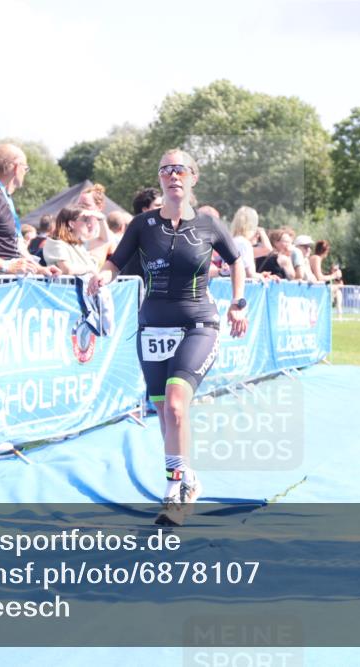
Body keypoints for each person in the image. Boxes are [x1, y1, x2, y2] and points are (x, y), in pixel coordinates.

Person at [88, 149, 247, 526]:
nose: (173, 175)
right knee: (165, 414)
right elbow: (116, 261)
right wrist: (102, 276)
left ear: (193, 177)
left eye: (180, 169)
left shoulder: (208, 223)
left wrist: (238, 302)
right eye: (166, 170)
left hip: (198, 324)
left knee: (177, 405)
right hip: (153, 327)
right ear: (160, 179)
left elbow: (237, 259)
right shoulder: (143, 225)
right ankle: (187, 476)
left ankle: (175, 490)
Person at [0, 143, 59, 282]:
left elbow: (16, 244)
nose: (25, 172)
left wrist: (39, 269)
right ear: (16, 167)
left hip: (8, 282)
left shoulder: (4, 197)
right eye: (25, 168)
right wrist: (6, 266)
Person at [43, 206, 108, 276]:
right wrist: (90, 269)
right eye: (85, 220)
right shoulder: (55, 243)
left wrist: (101, 218)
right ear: (72, 224)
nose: (89, 224)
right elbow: (67, 269)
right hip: (65, 286)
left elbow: (104, 239)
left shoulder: (78, 243)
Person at [229, 206, 270, 280]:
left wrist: (259, 275)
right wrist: (262, 277)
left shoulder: (233, 241)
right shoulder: (244, 243)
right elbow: (249, 274)